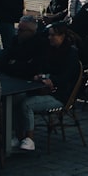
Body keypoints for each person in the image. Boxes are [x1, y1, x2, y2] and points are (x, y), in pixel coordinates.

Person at [11, 22, 79, 152]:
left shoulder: (71, 53)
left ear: (62, 36)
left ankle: (29, 139)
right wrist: (41, 76)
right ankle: (19, 135)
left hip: (60, 94)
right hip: (42, 88)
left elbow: (67, 77)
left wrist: (52, 80)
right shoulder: (49, 50)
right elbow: (42, 67)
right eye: (49, 35)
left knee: (27, 104)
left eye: (53, 35)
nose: (50, 38)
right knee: (16, 99)